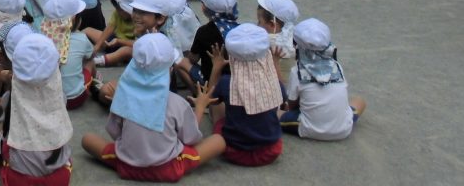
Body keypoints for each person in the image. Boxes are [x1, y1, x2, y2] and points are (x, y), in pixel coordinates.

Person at [81, 32, 225, 182]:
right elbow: (191, 139)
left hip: (126, 165)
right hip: (169, 168)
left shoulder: (122, 96)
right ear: (169, 71)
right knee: (218, 141)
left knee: (87, 139)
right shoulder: (177, 103)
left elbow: (115, 133)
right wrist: (200, 107)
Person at [0, 33, 74, 185]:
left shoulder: (8, 99)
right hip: (58, 180)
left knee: (0, 131)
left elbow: (5, 131)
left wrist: (8, 81)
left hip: (18, 180)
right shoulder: (60, 98)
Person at [207, 24, 284, 167]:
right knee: (275, 108)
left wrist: (216, 67)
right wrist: (275, 63)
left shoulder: (226, 83)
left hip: (233, 150)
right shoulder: (274, 82)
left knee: (217, 107)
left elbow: (210, 99)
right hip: (270, 152)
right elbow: (283, 97)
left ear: (232, 56)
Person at [280, 18, 366, 140]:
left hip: (310, 128)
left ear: (296, 46)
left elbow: (292, 105)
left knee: (277, 113)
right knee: (359, 101)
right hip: (344, 129)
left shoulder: (297, 72)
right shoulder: (337, 66)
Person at [40, 0, 92, 109]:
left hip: (49, 100)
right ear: (75, 19)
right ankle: (92, 83)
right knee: (90, 62)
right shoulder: (82, 39)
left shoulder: (41, 39)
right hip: (74, 99)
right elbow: (90, 55)